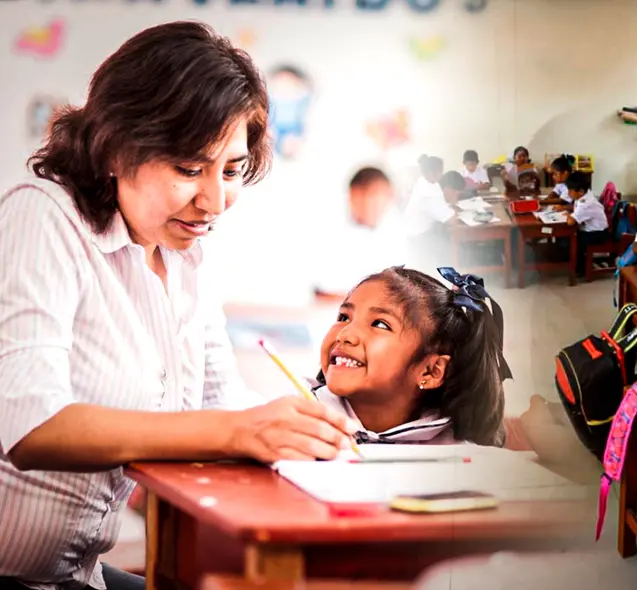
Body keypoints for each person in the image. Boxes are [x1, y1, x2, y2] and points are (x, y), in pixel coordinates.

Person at [0, 22, 360, 590]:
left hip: (76, 575)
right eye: (189, 170)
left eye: (233, 170)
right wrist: (238, 431)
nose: (214, 201)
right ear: (115, 147)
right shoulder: (43, 215)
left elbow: (221, 402)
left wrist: (296, 429)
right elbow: (31, 428)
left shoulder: (185, 256)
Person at [313, 267, 511, 446]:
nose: (344, 334)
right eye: (344, 317)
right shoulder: (296, 415)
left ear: (431, 371)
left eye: (380, 324)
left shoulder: (457, 455)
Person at [314, 167, 406, 300]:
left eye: (385, 197)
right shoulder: (329, 233)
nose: (379, 205)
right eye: (372, 196)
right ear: (354, 195)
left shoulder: (395, 236)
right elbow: (323, 292)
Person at [564, 171, 610, 275]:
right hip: (592, 230)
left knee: (570, 241)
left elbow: (571, 222)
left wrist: (568, 215)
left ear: (580, 191)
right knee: (569, 238)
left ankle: (581, 268)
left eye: (570, 191)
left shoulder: (586, 203)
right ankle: (577, 263)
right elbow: (576, 208)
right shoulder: (584, 195)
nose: (568, 193)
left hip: (597, 234)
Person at [404, 155, 454, 235]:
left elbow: (440, 204)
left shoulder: (423, 180)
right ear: (430, 173)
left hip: (416, 229)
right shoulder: (428, 192)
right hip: (419, 235)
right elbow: (450, 220)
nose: (442, 174)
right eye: (440, 171)